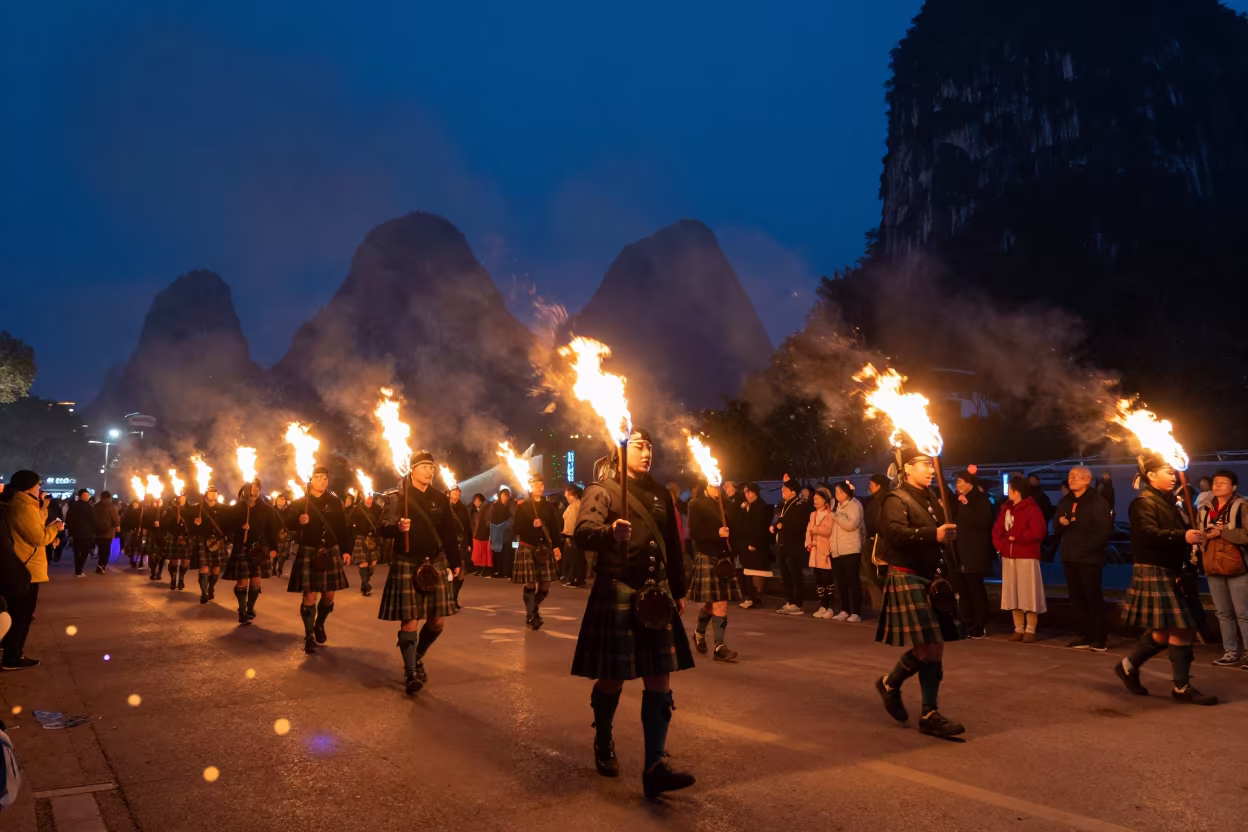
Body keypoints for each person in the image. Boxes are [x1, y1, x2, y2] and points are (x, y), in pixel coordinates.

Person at [572, 428, 695, 799]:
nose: (647, 453)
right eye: (639, 446)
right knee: (613, 678)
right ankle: (604, 736)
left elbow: (673, 544)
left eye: (650, 447)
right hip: (618, 590)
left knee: (660, 678)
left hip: (656, 596)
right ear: (620, 451)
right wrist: (610, 532)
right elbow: (582, 533)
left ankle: (654, 765)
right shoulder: (602, 490)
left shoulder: (660, 493)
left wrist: (680, 589)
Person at [873, 446, 965, 738]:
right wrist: (934, 534)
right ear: (907, 469)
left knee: (935, 646)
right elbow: (895, 534)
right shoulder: (895, 498)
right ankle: (892, 685)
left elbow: (942, 540)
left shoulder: (933, 499)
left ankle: (927, 712)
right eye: (922, 464)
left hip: (932, 579)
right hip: (908, 576)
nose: (929, 469)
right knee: (928, 646)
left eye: (930, 464)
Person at [1114, 453, 1217, 705]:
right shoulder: (1143, 502)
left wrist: (1192, 536)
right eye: (1167, 472)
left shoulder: (1171, 501)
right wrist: (1183, 537)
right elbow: (1147, 534)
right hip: (1155, 568)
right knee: (1182, 628)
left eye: (1173, 472)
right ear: (1150, 475)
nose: (1173, 476)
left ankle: (1127, 666)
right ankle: (1181, 688)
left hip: (1173, 568)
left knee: (1162, 633)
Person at [378, 451, 461, 695]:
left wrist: (455, 562)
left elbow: (448, 532)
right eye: (424, 466)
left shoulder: (440, 498)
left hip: (434, 563)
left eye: (431, 467)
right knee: (410, 620)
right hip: (407, 562)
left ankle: (417, 656)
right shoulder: (398, 497)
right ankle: (410, 672)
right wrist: (397, 527)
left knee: (437, 621)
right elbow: (381, 528)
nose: (429, 471)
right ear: (412, 469)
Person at [0, 471, 62, 670]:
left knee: (16, 611)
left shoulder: (22, 504)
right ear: (28, 487)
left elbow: (34, 524)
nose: (39, 488)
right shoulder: (23, 507)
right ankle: (12, 656)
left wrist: (43, 507)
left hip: (20, 566)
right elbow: (38, 537)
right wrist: (55, 529)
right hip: (26, 568)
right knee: (22, 615)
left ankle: (9, 649)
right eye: (37, 485)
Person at [288, 466, 351, 654]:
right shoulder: (301, 502)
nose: (323, 481)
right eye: (319, 477)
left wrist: (346, 550)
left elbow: (342, 527)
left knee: (329, 596)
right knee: (310, 595)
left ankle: (319, 624)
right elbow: (287, 523)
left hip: (329, 552)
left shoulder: (334, 501)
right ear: (311, 480)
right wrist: (299, 521)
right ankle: (308, 637)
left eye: (325, 477)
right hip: (309, 551)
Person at [1054, 466, 1113, 651]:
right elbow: (1056, 526)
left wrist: (1087, 549)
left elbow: (1104, 530)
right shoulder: (1065, 501)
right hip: (1070, 556)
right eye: (1070, 476)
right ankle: (1085, 635)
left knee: (1093, 597)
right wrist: (1060, 523)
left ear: (1087, 480)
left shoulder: (1097, 501)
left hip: (1089, 558)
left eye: (1076, 476)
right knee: (1076, 598)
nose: (1071, 479)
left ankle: (1099, 638)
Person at [1199, 470, 1248, 669]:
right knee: (1223, 612)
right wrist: (1204, 537)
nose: (1217, 485)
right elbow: (1199, 534)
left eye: (1223, 482)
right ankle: (1230, 652)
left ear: (1234, 487)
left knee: (1243, 612)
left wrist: (1222, 532)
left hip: (1238, 566)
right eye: (1216, 482)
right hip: (1212, 564)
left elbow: (1246, 535)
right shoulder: (1205, 508)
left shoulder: (1243, 506)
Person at [687, 483, 740, 660]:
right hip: (708, 556)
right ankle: (703, 635)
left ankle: (717, 645)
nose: (717, 488)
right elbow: (694, 532)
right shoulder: (697, 505)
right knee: (713, 603)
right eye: (712, 486)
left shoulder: (726, 505)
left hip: (724, 559)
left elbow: (736, 529)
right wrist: (716, 533)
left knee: (719, 603)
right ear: (706, 488)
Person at [993, 477, 1047, 643]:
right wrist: (1001, 546)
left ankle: (1030, 629)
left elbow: (1038, 531)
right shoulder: (1006, 509)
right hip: (1009, 556)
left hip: (1027, 556)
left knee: (1028, 592)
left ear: (1018, 490)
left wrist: (1017, 537)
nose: (1009, 491)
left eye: (1011, 488)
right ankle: (1018, 628)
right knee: (1013, 592)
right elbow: (997, 530)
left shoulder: (1031, 508)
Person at [223, 482, 279, 625]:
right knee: (242, 582)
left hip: (259, 549)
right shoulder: (237, 508)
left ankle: (250, 607)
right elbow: (226, 527)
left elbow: (271, 530)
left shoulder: (267, 509)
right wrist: (240, 527)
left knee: (256, 582)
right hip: (242, 547)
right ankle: (242, 611)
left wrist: (273, 547)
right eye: (251, 488)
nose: (254, 490)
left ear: (259, 490)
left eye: (256, 488)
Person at [513, 473, 561, 629]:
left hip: (544, 548)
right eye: (535, 485)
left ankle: (532, 610)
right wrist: (530, 525)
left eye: (541, 484)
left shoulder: (548, 506)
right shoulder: (522, 506)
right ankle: (532, 615)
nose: (539, 487)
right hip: (527, 546)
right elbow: (516, 528)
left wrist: (556, 546)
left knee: (546, 584)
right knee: (531, 583)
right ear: (530, 487)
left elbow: (554, 527)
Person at [952, 471, 995, 638]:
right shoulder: (960, 501)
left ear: (970, 483)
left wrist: (967, 505)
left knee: (976, 589)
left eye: (961, 482)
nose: (958, 486)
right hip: (961, 551)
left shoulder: (980, 499)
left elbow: (983, 521)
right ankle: (966, 621)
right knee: (964, 590)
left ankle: (980, 624)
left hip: (975, 552)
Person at [826, 481, 865, 621]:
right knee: (841, 583)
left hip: (851, 550)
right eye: (835, 492)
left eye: (839, 492)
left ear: (846, 493)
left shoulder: (855, 505)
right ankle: (844, 609)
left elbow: (850, 525)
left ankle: (856, 612)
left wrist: (836, 515)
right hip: (837, 550)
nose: (836, 495)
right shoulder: (837, 506)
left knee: (853, 582)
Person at [772, 481, 812, 615]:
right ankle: (790, 600)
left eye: (785, 489)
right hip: (783, 546)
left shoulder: (799, 505)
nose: (782, 491)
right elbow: (781, 520)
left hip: (794, 546)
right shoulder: (784, 505)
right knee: (786, 575)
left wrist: (783, 526)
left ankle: (798, 603)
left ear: (793, 491)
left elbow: (800, 524)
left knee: (795, 576)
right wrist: (775, 526)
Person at [736, 483, 772, 609]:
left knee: (754, 572)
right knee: (748, 570)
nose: (745, 495)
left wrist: (753, 543)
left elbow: (758, 527)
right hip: (748, 543)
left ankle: (752, 597)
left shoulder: (760, 506)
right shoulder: (751, 505)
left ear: (752, 493)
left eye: (746, 492)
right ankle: (751, 596)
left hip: (755, 544)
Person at [190, 486, 229, 604]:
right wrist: (196, 524)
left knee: (216, 568)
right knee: (204, 567)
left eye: (215, 492)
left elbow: (228, 524)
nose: (213, 494)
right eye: (211, 492)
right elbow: (189, 522)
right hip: (203, 540)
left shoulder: (223, 508)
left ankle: (211, 587)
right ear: (206, 494)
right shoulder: (198, 508)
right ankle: (204, 593)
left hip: (217, 540)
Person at [805, 486, 836, 618]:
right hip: (814, 551)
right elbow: (808, 530)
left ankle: (830, 606)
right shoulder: (813, 515)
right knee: (818, 579)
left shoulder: (830, 515)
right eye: (814, 499)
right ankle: (822, 605)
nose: (815, 501)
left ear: (825, 500)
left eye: (817, 498)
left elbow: (828, 531)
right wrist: (807, 542)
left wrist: (815, 529)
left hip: (826, 552)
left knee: (827, 579)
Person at [860, 474, 890, 610]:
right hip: (873, 543)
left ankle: (888, 604)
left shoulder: (886, 500)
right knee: (874, 575)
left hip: (882, 544)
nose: (869, 487)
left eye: (871, 484)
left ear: (879, 486)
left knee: (883, 575)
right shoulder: (874, 500)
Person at [348, 492, 383, 597]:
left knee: (372, 564)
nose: (369, 498)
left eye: (371, 497)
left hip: (373, 538)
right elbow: (349, 523)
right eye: (367, 496)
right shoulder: (357, 508)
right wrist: (355, 534)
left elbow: (381, 523)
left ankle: (365, 580)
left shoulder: (377, 509)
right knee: (363, 562)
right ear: (363, 497)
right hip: (361, 538)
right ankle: (365, 585)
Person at [160, 491, 194, 591]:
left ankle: (181, 579)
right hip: (174, 537)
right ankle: (173, 580)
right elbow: (165, 524)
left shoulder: (191, 510)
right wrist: (174, 519)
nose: (181, 499)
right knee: (173, 562)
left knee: (186, 561)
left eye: (183, 497)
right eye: (179, 497)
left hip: (187, 538)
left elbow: (194, 524)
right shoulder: (171, 510)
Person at [447, 486, 472, 608]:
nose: (456, 494)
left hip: (461, 544)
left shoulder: (463, 508)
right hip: (448, 544)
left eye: (458, 492)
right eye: (454, 492)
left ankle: (454, 597)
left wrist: (469, 544)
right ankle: (448, 598)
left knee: (460, 575)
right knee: (449, 573)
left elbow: (468, 527)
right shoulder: (444, 507)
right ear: (449, 493)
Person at [66, 489, 96, 578]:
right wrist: (70, 533)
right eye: (85, 495)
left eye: (88, 495)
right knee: (80, 552)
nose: (87, 497)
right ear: (80, 496)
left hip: (84, 533)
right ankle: (78, 570)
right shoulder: (77, 506)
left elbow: (93, 521)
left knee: (82, 552)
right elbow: (69, 520)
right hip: (80, 533)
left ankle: (78, 570)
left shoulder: (88, 506)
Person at [561, 485, 587, 587]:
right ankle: (576, 578)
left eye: (567, 496)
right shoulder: (573, 505)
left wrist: (568, 535)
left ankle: (575, 579)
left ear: (574, 495)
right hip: (574, 535)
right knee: (575, 558)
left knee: (575, 558)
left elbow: (571, 523)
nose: (566, 498)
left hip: (573, 535)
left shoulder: (576, 506)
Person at [91, 490, 120, 573]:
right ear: (109, 497)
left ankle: (100, 565)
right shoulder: (110, 506)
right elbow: (115, 518)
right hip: (108, 532)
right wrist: (117, 525)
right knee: (106, 549)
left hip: (97, 532)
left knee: (100, 548)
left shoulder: (96, 506)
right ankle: (102, 565)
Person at [488, 489, 513, 579]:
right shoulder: (509, 505)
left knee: (507, 552)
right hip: (509, 535)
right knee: (508, 552)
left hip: (509, 535)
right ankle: (504, 572)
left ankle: (504, 572)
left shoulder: (506, 506)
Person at [272, 494, 295, 578]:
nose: (282, 501)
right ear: (276, 500)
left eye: (283, 499)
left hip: (286, 535)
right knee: (275, 552)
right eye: (280, 499)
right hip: (275, 534)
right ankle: (274, 568)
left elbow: (293, 523)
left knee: (285, 554)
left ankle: (280, 569)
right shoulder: (272, 510)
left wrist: (291, 534)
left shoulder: (289, 511)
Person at [471, 493, 493, 578]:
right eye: (475, 500)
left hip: (484, 534)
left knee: (484, 553)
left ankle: (485, 569)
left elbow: (487, 521)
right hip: (478, 534)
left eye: (477, 500)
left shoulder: (486, 508)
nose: (475, 502)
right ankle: (479, 568)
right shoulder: (477, 510)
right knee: (479, 553)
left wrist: (486, 530)